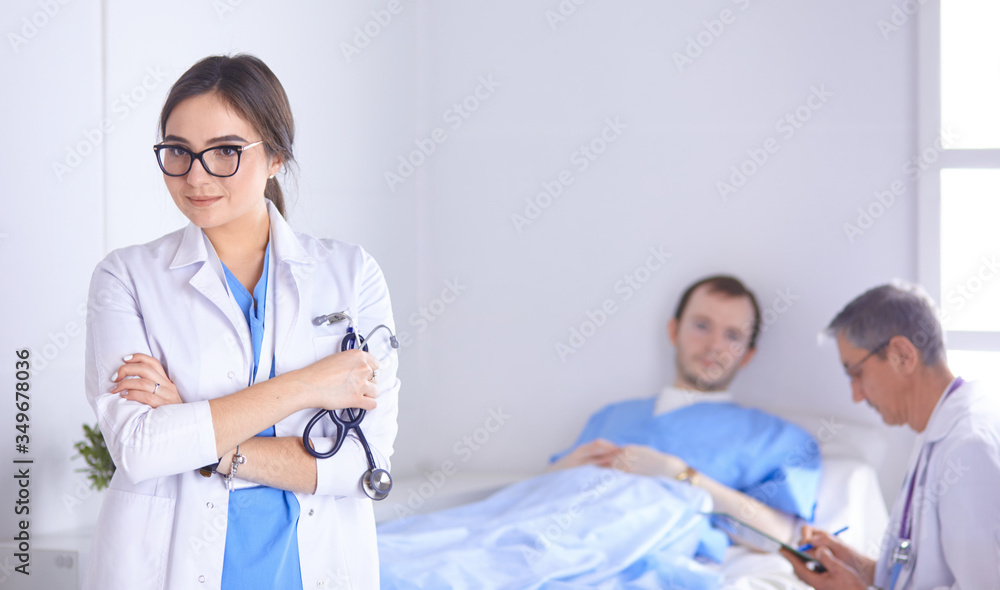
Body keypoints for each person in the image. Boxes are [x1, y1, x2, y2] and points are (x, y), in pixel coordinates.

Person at [82, 54, 399, 590]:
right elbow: (140, 449)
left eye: (226, 151)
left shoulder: (350, 274)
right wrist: (311, 385)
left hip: (312, 570)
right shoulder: (125, 277)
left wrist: (196, 433)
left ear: (276, 156)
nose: (196, 175)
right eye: (178, 151)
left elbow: (357, 466)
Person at [549, 275, 821, 546]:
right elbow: (538, 501)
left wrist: (681, 476)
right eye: (702, 326)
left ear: (748, 355)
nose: (714, 346)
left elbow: (783, 537)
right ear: (673, 330)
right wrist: (560, 471)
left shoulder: (776, 438)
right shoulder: (611, 416)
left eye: (732, 336)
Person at [782, 281, 1000, 589]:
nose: (856, 395)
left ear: (902, 355)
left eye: (856, 373)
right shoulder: (935, 430)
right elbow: (925, 577)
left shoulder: (970, 448)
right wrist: (859, 566)